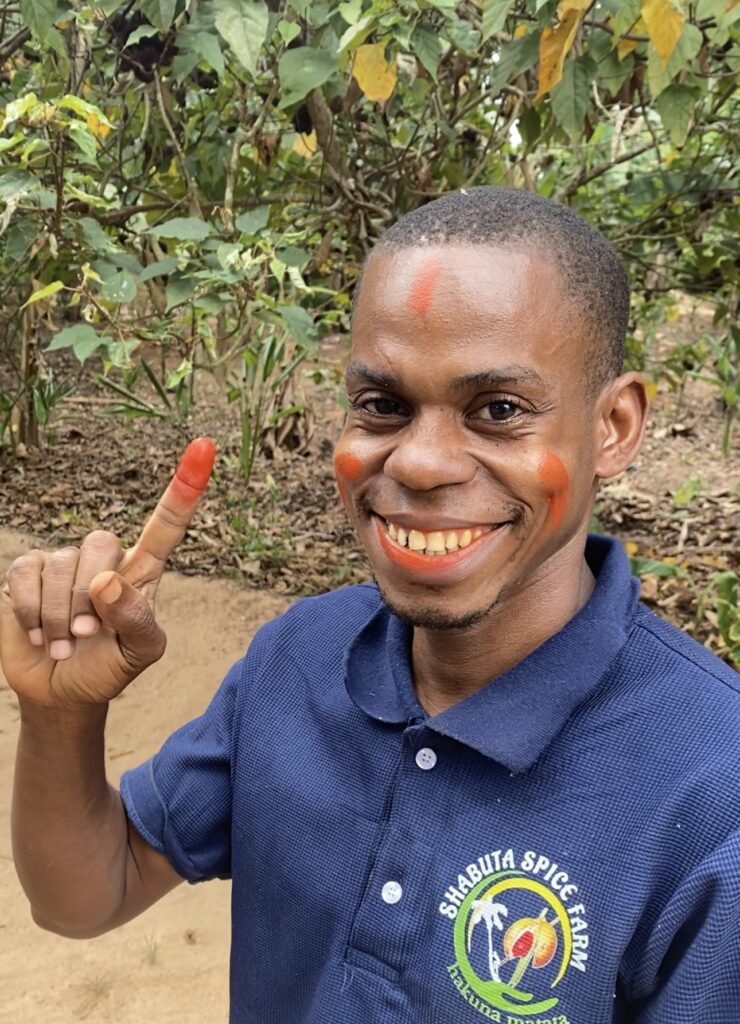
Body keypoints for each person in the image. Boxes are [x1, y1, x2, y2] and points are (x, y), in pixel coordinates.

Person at [2, 187, 739, 1024]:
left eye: (497, 410)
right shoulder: (298, 657)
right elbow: (88, 895)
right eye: (384, 405)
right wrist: (60, 716)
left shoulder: (712, 790)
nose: (421, 463)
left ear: (613, 427)